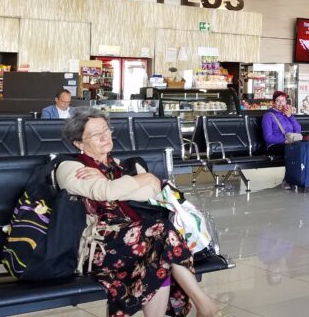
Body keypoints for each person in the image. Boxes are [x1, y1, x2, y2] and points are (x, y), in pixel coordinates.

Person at [57, 108, 220, 317]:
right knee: (160, 235)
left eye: (106, 130)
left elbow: (151, 192)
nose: (105, 137)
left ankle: (204, 306)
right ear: (78, 143)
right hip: (98, 246)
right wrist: (142, 179)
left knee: (159, 247)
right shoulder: (68, 167)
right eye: (96, 134)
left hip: (137, 237)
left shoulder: (117, 166)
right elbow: (104, 191)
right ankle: (204, 304)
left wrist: (119, 185)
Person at [262, 91, 302, 156]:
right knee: (296, 150)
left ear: (286, 102)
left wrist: (290, 116)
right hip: (275, 145)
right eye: (278, 100)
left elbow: (298, 130)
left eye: (283, 100)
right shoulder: (268, 116)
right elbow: (268, 137)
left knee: (306, 147)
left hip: (290, 144)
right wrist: (284, 140)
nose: (280, 103)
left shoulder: (287, 114)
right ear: (273, 102)